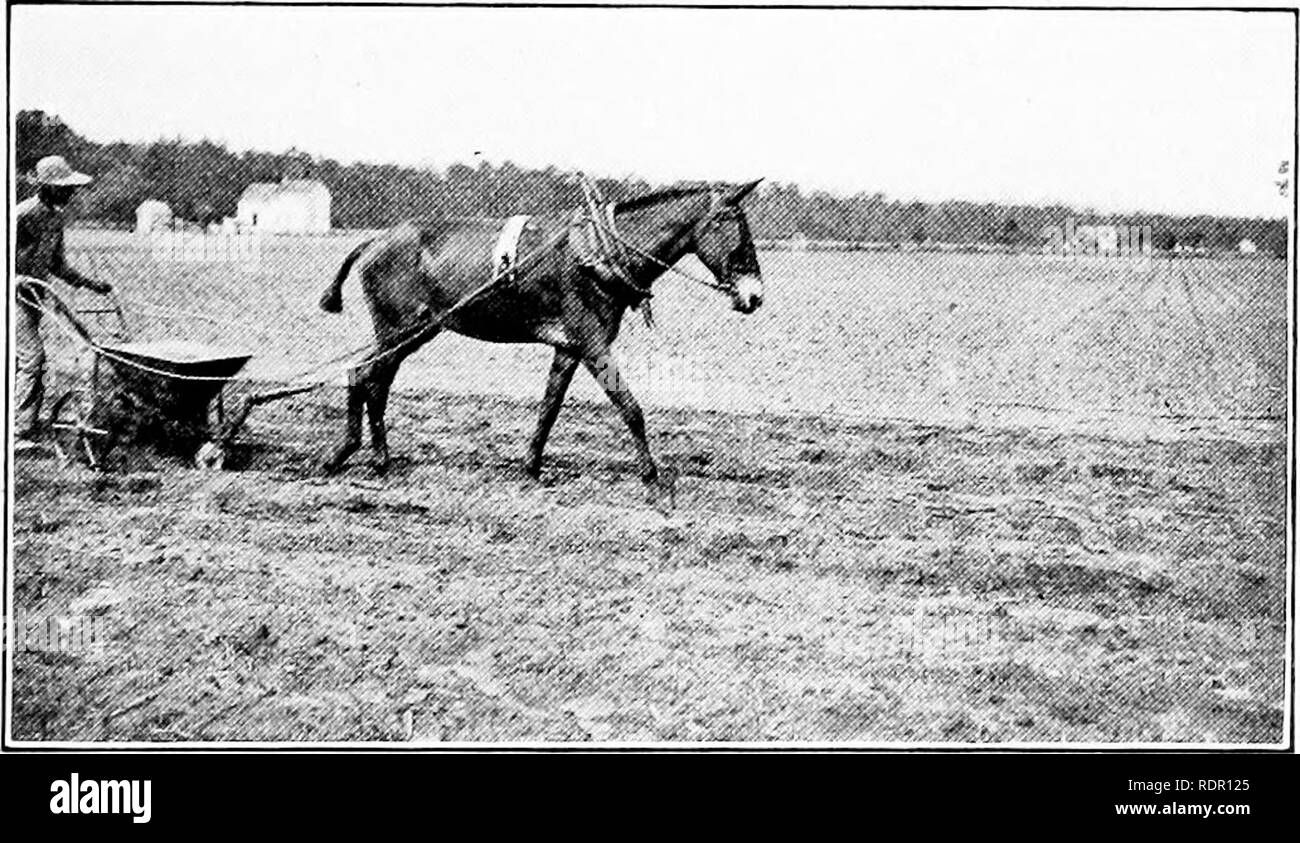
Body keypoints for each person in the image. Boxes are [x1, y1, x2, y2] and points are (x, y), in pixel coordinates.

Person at [14, 155, 113, 450]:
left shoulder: (55, 219)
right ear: (47, 187)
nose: (71, 192)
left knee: (24, 361)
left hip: (33, 298)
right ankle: (18, 433)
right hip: (14, 297)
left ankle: (21, 422)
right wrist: (16, 279)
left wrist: (90, 284)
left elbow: (57, 264)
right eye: (64, 187)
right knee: (32, 359)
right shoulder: (22, 215)